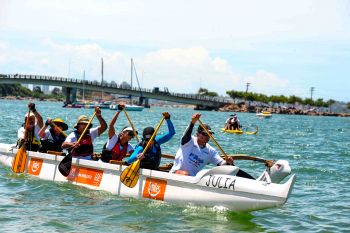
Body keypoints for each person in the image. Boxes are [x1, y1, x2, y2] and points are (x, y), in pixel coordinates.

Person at [170, 113, 234, 176]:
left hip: (193, 179)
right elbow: (186, 135)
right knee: (185, 174)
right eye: (204, 134)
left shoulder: (210, 151)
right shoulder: (189, 141)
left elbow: (221, 164)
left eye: (209, 134)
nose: (207, 136)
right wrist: (192, 122)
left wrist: (228, 162)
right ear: (197, 134)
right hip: (175, 174)